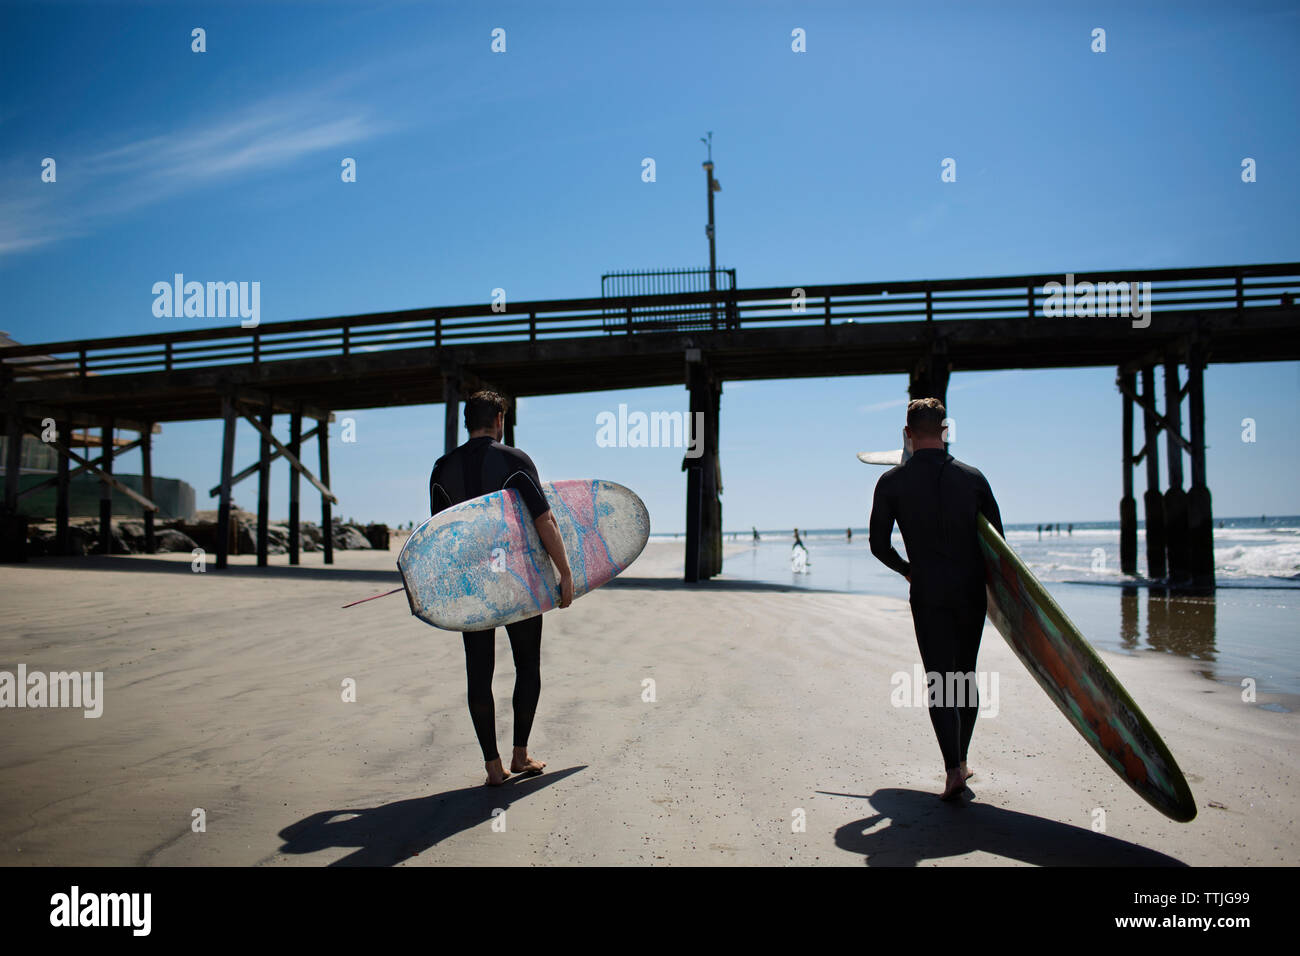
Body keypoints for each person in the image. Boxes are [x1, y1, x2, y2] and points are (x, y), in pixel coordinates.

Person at [430, 390, 574, 787]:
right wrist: (564, 573)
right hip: (517, 581)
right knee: (527, 665)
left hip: (471, 585)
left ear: (465, 421)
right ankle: (521, 754)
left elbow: (438, 538)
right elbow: (545, 521)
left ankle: (493, 766)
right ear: (499, 419)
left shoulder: (442, 468)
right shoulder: (514, 460)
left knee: (479, 674)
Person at [869, 398, 1004, 802]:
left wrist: (908, 569)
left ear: (908, 434)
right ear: (945, 431)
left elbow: (878, 545)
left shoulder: (892, 482)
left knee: (940, 681)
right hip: (970, 590)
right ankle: (962, 762)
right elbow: (997, 543)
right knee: (966, 675)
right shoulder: (973, 478)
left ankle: (951, 771)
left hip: (927, 590)